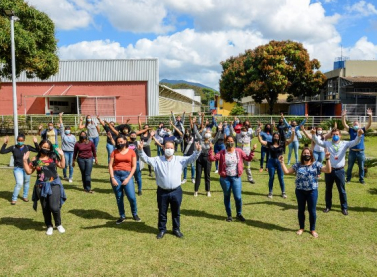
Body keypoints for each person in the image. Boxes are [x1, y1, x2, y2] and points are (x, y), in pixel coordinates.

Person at [137, 140, 202, 239]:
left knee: (176, 211)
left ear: (174, 149)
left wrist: (197, 151)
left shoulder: (180, 160)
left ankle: (176, 229)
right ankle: (162, 229)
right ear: (163, 148)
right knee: (162, 212)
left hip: (176, 191)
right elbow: (145, 159)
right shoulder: (157, 160)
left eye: (171, 148)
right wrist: (141, 150)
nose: (169, 150)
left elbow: (191, 159)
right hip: (162, 191)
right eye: (167, 147)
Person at [279, 148, 332, 238]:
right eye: (304, 153)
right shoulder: (298, 165)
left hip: (312, 191)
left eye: (308, 153)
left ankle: (312, 229)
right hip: (300, 191)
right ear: (302, 155)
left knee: (312, 211)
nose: (306, 154)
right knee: (301, 210)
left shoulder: (316, 164)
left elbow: (328, 170)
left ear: (311, 155)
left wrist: (327, 159)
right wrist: (282, 162)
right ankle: (301, 228)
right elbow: (287, 172)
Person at [312, 127, 364, 215]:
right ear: (331, 135)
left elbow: (355, 142)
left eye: (337, 134)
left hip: (340, 171)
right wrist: (313, 134)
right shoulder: (327, 143)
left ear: (340, 135)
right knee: (328, 189)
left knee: (342, 190)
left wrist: (359, 136)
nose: (335, 136)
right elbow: (318, 142)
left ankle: (344, 208)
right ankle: (328, 206)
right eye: (333, 134)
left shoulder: (345, 143)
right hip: (329, 170)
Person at [22, 140, 67, 235]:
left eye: (48, 148)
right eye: (44, 147)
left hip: (54, 184)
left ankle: (58, 224)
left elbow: (62, 166)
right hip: (41, 185)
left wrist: (62, 155)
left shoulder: (53, 157)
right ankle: (49, 226)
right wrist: (25, 161)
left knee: (54, 207)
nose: (46, 149)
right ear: (40, 147)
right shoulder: (35, 159)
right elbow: (29, 172)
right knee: (45, 207)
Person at [208, 135, 256, 222]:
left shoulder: (239, 151)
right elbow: (212, 159)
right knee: (227, 196)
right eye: (228, 141)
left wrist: (252, 150)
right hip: (225, 178)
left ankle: (239, 214)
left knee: (238, 197)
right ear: (225, 142)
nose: (230, 143)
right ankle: (229, 215)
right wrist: (211, 149)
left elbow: (248, 158)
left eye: (231, 141)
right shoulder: (222, 152)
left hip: (236, 178)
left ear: (234, 142)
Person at [109, 135, 141, 224]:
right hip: (116, 176)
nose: (120, 143)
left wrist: (128, 178)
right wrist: (112, 178)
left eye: (121, 142)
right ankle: (122, 216)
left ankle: (134, 214)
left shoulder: (131, 152)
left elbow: (134, 166)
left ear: (125, 141)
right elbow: (110, 166)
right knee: (119, 197)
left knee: (132, 197)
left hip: (127, 175)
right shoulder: (114, 152)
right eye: (118, 142)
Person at [1, 134, 39, 205]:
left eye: (21, 140)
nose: (20, 142)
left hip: (27, 167)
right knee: (19, 183)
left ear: (24, 140)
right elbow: (2, 151)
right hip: (17, 168)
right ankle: (14, 199)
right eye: (19, 140)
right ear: (17, 140)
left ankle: (25, 196)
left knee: (26, 182)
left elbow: (38, 150)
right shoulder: (13, 148)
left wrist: (35, 143)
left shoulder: (27, 147)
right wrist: (5, 143)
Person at [257, 128, 295, 198]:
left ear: (279, 137)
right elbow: (261, 141)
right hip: (271, 161)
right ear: (273, 137)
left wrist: (293, 132)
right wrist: (259, 133)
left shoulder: (282, 144)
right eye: (274, 136)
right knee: (271, 177)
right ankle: (270, 192)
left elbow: (291, 140)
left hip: (280, 162)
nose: (276, 137)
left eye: (277, 136)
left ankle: (283, 192)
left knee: (281, 177)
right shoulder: (269, 143)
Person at [342, 108, 373, 184]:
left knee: (361, 167)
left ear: (360, 125)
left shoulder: (362, 130)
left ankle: (361, 180)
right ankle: (348, 179)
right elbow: (344, 124)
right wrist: (343, 116)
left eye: (357, 124)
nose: (355, 125)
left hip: (361, 152)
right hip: (352, 152)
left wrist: (370, 116)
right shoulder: (351, 130)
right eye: (354, 124)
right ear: (352, 125)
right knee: (350, 167)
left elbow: (369, 124)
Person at [125, 131, 154, 196]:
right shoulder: (126, 143)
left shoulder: (138, 142)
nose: (133, 136)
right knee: (129, 177)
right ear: (130, 136)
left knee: (138, 177)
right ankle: (130, 190)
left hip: (137, 162)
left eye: (134, 135)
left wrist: (151, 136)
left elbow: (147, 144)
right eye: (132, 135)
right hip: (128, 162)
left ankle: (139, 190)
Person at [192, 120, 213, 197]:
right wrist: (194, 123)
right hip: (200, 158)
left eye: (208, 132)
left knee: (207, 175)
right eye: (206, 132)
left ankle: (208, 191)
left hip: (207, 159)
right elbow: (196, 131)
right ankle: (196, 191)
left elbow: (217, 137)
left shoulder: (211, 141)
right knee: (198, 175)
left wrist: (220, 130)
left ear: (210, 134)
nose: (207, 133)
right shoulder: (201, 139)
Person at [59, 112, 76, 182]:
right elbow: (61, 126)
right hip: (65, 152)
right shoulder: (63, 136)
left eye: (68, 129)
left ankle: (70, 177)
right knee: (65, 164)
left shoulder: (73, 137)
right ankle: (65, 175)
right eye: (66, 129)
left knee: (71, 165)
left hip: (72, 152)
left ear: (70, 130)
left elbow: (76, 145)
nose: (67, 130)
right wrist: (60, 117)